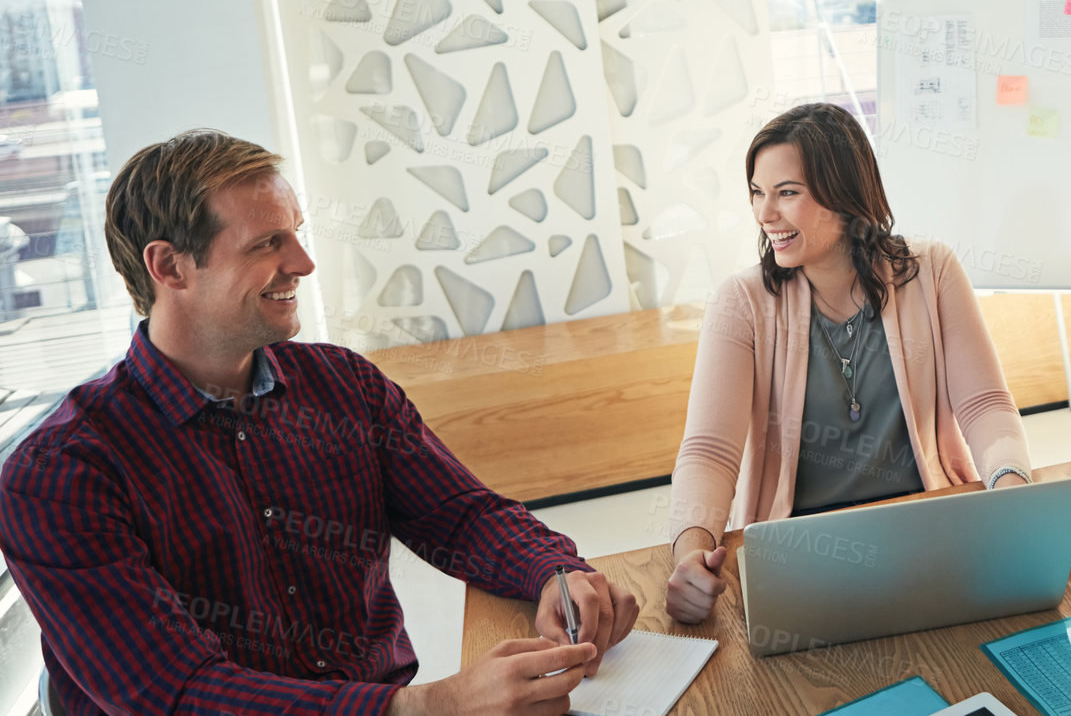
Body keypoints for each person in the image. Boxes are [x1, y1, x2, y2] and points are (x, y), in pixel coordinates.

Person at [0, 130, 640, 715]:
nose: (303, 263)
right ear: (169, 267)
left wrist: (555, 571)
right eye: (266, 244)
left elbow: (460, 516)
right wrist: (427, 708)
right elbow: (177, 695)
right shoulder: (58, 475)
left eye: (297, 233)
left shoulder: (344, 384)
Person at [665, 103, 1071, 623]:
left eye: (787, 193)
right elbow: (710, 452)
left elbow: (984, 405)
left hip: (934, 535)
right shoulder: (741, 301)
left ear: (844, 195)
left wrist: (1017, 505)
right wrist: (689, 552)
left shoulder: (931, 271)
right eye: (758, 194)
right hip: (799, 560)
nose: (765, 215)